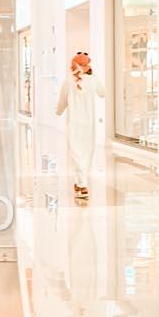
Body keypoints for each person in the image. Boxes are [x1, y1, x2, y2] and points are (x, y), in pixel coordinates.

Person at [56, 49, 103, 204]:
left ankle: (82, 185)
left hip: (74, 123)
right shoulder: (94, 79)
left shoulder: (68, 81)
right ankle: (81, 183)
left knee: (77, 152)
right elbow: (103, 93)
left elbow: (62, 101)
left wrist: (58, 112)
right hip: (89, 123)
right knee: (87, 152)